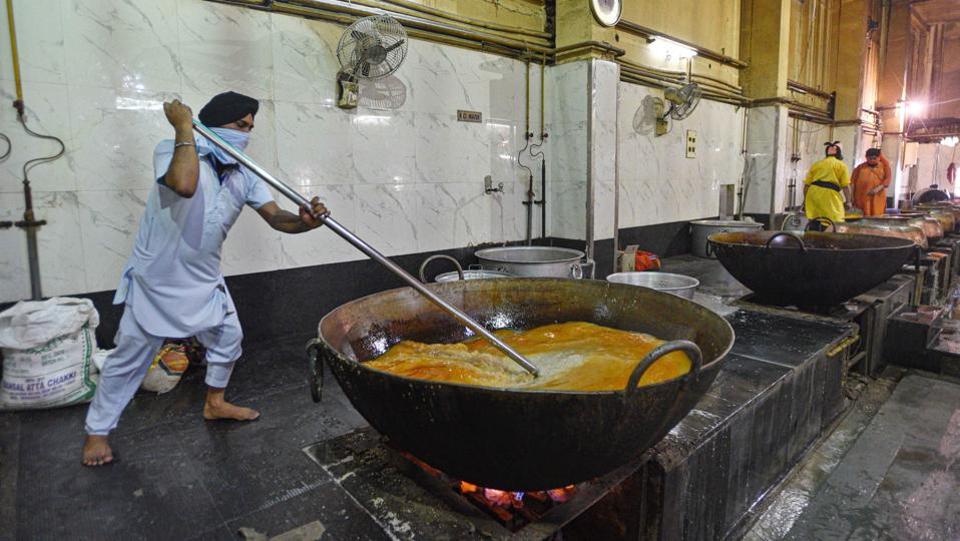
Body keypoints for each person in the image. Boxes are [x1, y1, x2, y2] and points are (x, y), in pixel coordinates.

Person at [81, 92, 328, 466]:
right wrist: (183, 126)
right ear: (211, 125)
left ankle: (215, 403)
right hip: (157, 278)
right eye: (239, 126)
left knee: (229, 337)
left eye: (250, 128)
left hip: (204, 276)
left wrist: (304, 222)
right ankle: (97, 432)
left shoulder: (245, 171)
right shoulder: (174, 149)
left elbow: (277, 217)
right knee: (129, 356)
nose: (246, 134)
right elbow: (183, 184)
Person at [803, 141, 852, 228]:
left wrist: (805, 200)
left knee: (815, 218)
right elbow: (846, 186)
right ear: (839, 153)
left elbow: (807, 185)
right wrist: (848, 202)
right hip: (829, 195)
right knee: (836, 220)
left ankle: (812, 237)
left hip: (813, 193)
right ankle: (830, 238)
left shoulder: (816, 164)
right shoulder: (841, 165)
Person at [851, 148, 891, 216]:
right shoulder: (860, 168)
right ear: (866, 157)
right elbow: (852, 183)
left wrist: (877, 189)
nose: (872, 160)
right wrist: (851, 198)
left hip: (877, 198)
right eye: (870, 158)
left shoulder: (884, 167)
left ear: (879, 158)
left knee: (876, 216)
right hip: (861, 198)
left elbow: (887, 180)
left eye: (874, 158)